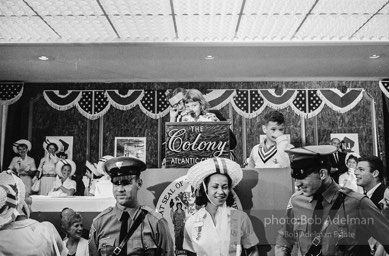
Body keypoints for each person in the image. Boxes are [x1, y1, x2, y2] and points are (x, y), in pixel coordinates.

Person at [275, 145, 389, 256]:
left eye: (303, 178)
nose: (297, 184)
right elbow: (284, 240)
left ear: (322, 174)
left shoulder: (357, 202)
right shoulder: (296, 200)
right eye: (295, 178)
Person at [89, 156, 174, 256]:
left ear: (139, 183)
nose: (120, 189)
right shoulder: (99, 223)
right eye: (116, 183)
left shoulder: (156, 223)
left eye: (126, 183)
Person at [183, 157, 259, 256]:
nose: (221, 192)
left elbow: (253, 251)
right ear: (205, 189)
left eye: (224, 187)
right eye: (215, 187)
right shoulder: (192, 222)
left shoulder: (241, 218)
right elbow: (188, 253)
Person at [0, 170, 64, 255]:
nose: (30, 200)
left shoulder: (2, 237)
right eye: (28, 196)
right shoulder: (47, 229)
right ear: (24, 203)